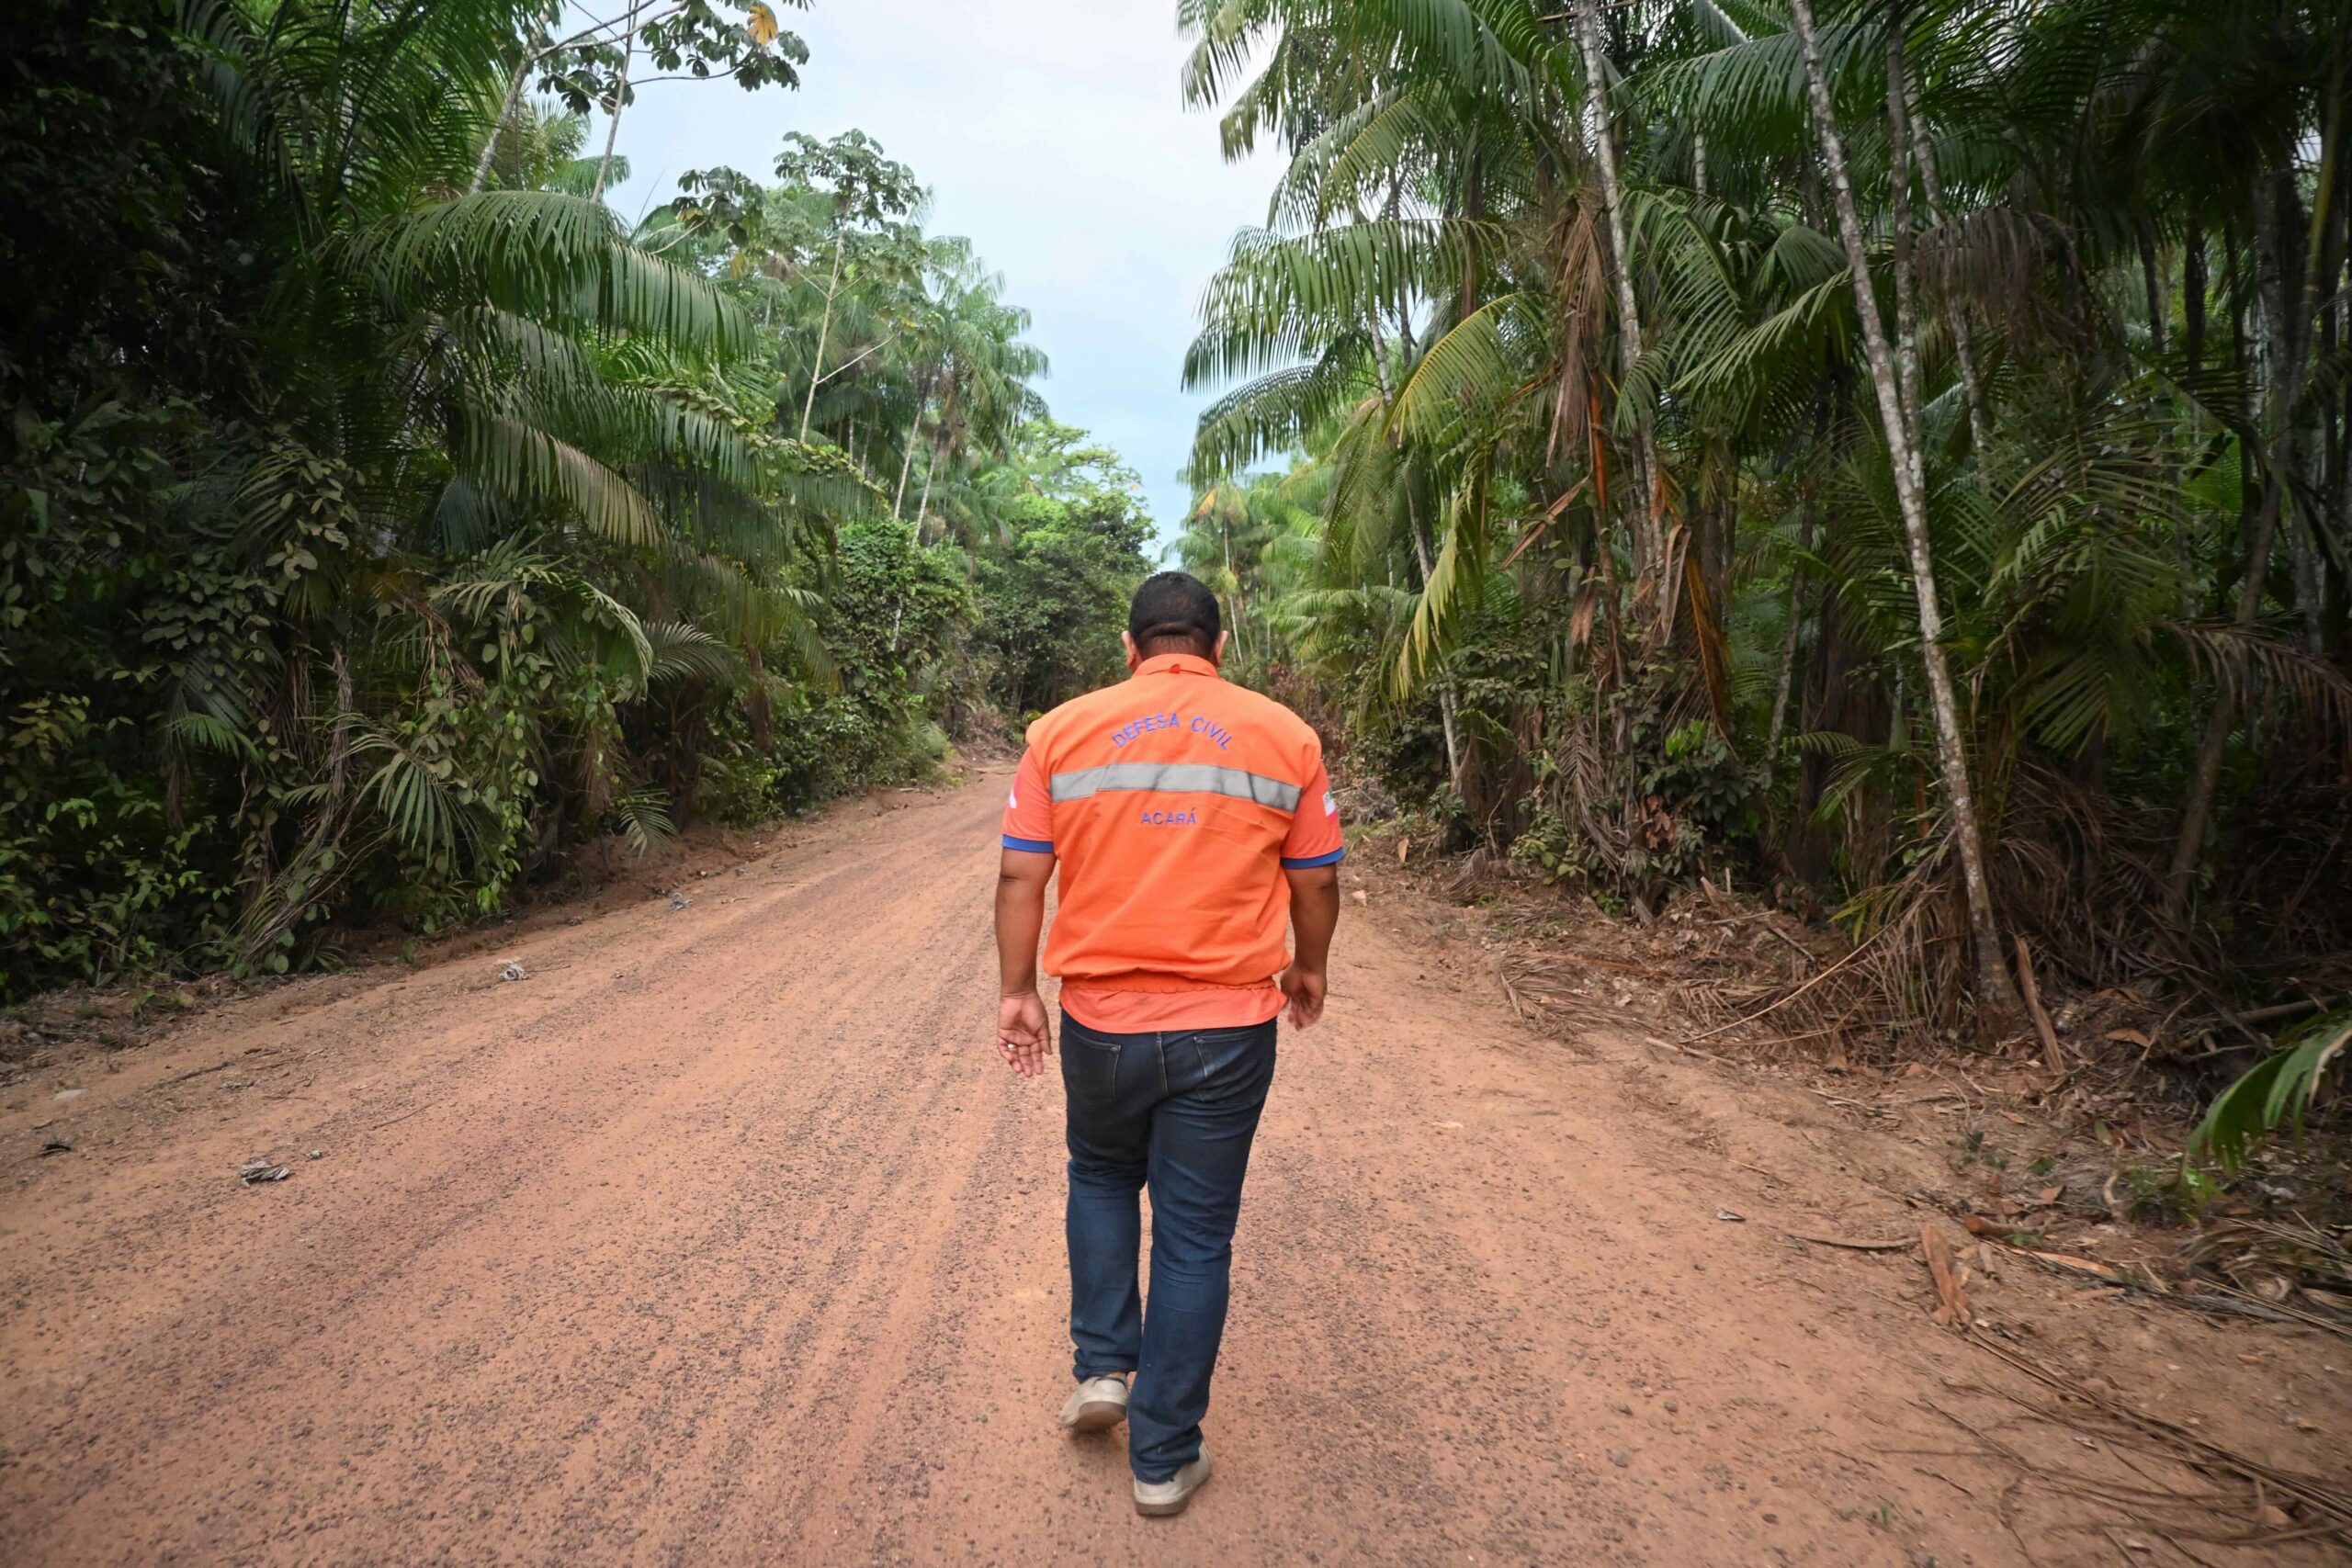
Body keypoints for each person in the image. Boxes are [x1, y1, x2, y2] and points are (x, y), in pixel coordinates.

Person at [992, 570, 1344, 1517]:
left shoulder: (1059, 732)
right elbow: (1314, 883)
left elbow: (1022, 876)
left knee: (1101, 1177)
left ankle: (1106, 1365)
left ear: (1129, 644)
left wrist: (1018, 990)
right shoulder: (1284, 735)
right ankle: (1164, 1456)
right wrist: (1308, 968)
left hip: (1101, 1021)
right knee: (1194, 1238)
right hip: (1228, 1028)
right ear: (1220, 646)